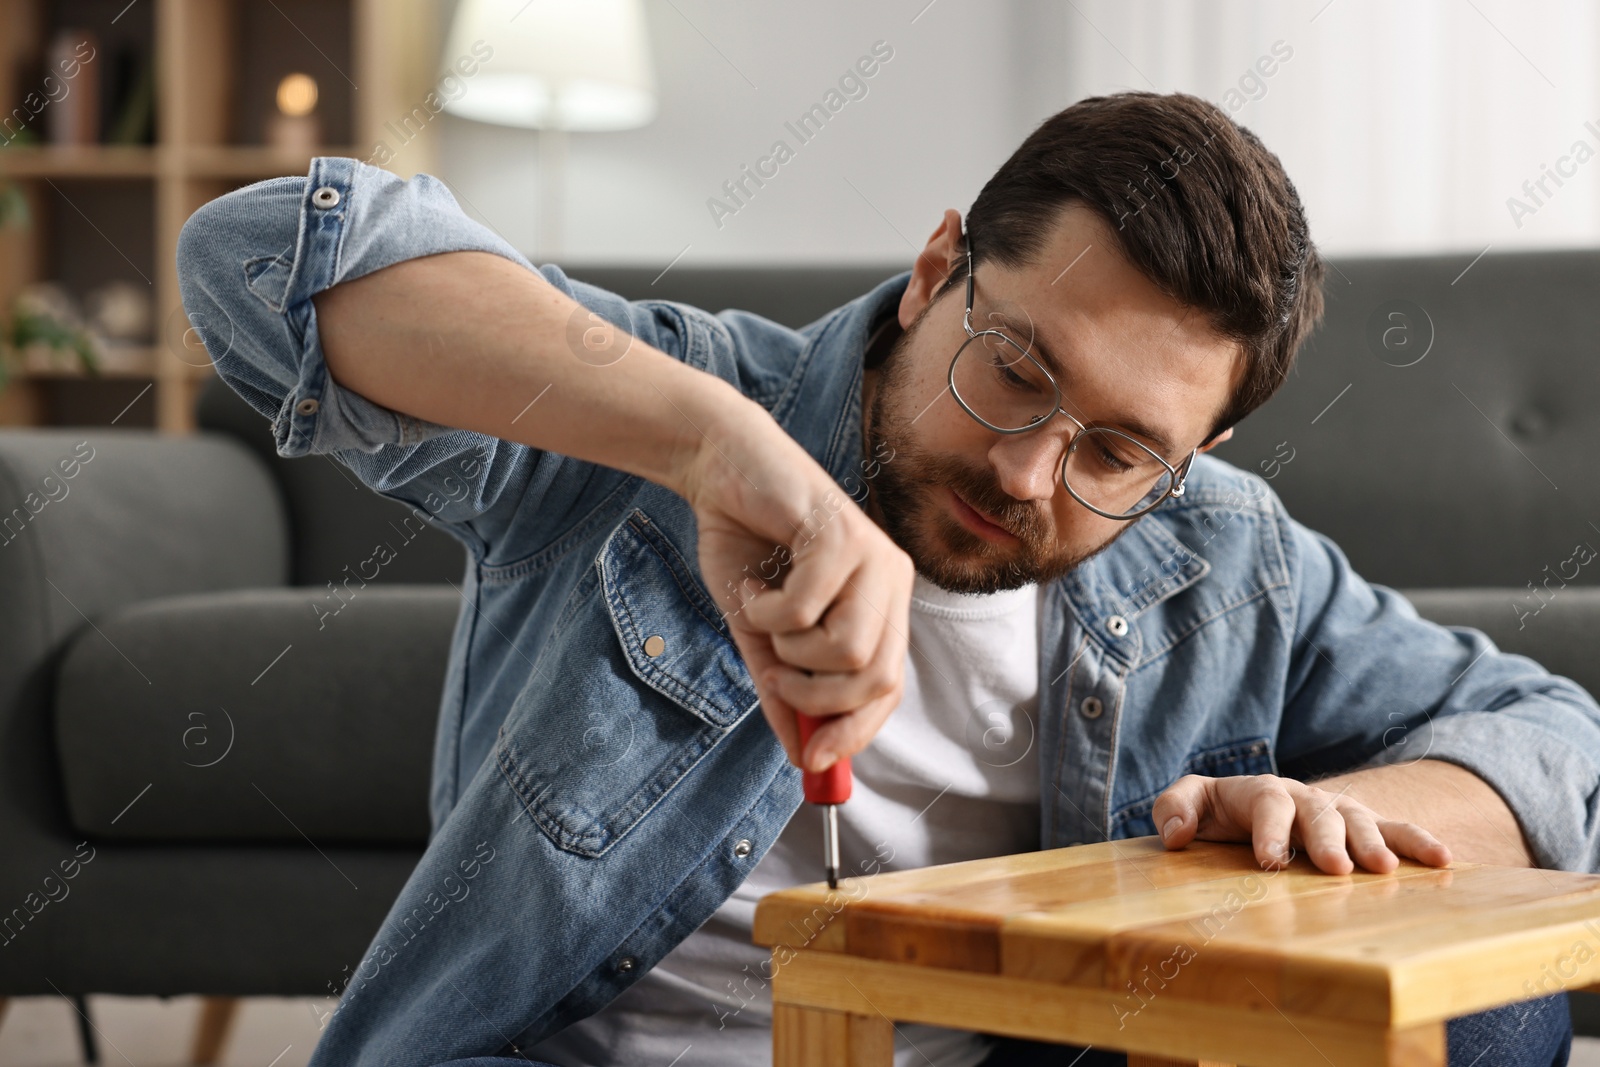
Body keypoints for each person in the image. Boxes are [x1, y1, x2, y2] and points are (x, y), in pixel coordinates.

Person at [176, 91, 1587, 1067]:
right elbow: (252, 258)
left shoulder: (1221, 550)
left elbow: (1555, 738)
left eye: (1117, 450)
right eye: (1017, 370)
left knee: (1489, 1020)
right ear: (934, 270)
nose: (1032, 473)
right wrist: (728, 460)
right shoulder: (668, 408)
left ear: (1193, 452)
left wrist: (1333, 819)